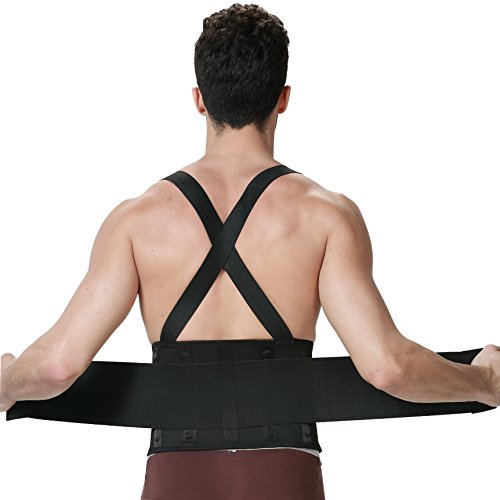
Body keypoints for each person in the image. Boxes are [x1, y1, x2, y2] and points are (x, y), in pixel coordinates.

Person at [1, 3, 499, 499]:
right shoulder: (326, 215)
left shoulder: (135, 221)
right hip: (284, 475)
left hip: (174, 476)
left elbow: (56, 366)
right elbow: (388, 366)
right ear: (282, 98)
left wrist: (5, 385)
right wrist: (482, 381)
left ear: (200, 100)